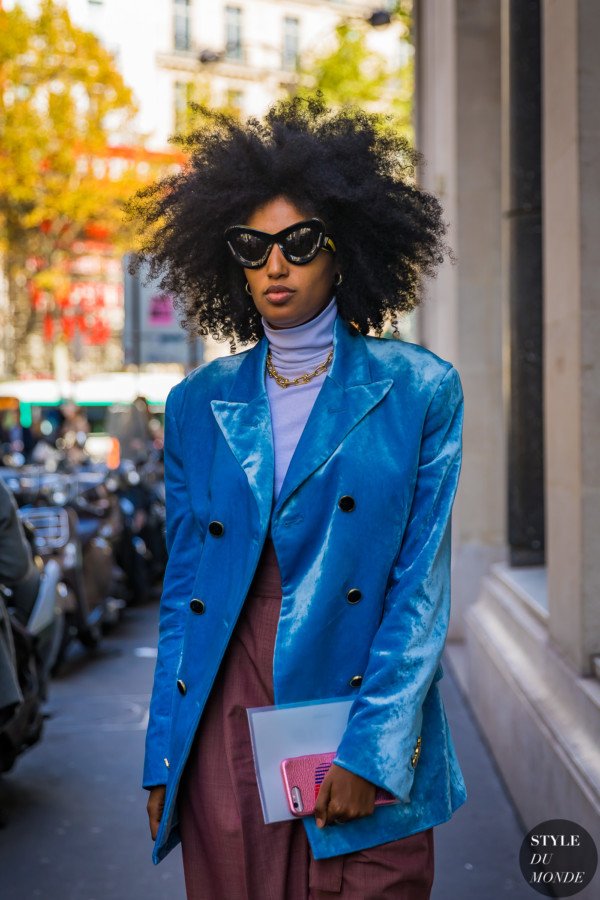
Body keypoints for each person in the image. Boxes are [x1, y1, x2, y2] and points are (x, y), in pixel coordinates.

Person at [135, 94, 467, 899]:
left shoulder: (419, 389)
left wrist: (373, 748)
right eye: (253, 246)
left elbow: (418, 590)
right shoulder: (196, 403)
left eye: (299, 242)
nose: (275, 265)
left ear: (342, 251)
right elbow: (183, 594)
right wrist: (163, 754)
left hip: (359, 701)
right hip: (228, 714)